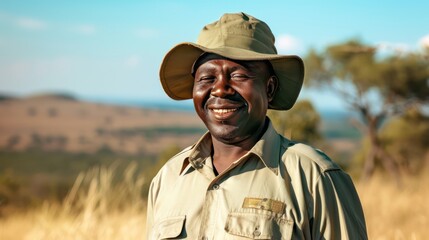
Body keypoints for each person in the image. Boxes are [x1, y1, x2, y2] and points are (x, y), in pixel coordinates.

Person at [146, 12, 367, 239]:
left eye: (239, 75)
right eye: (207, 78)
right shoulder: (169, 178)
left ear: (269, 89)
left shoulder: (313, 177)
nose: (220, 89)